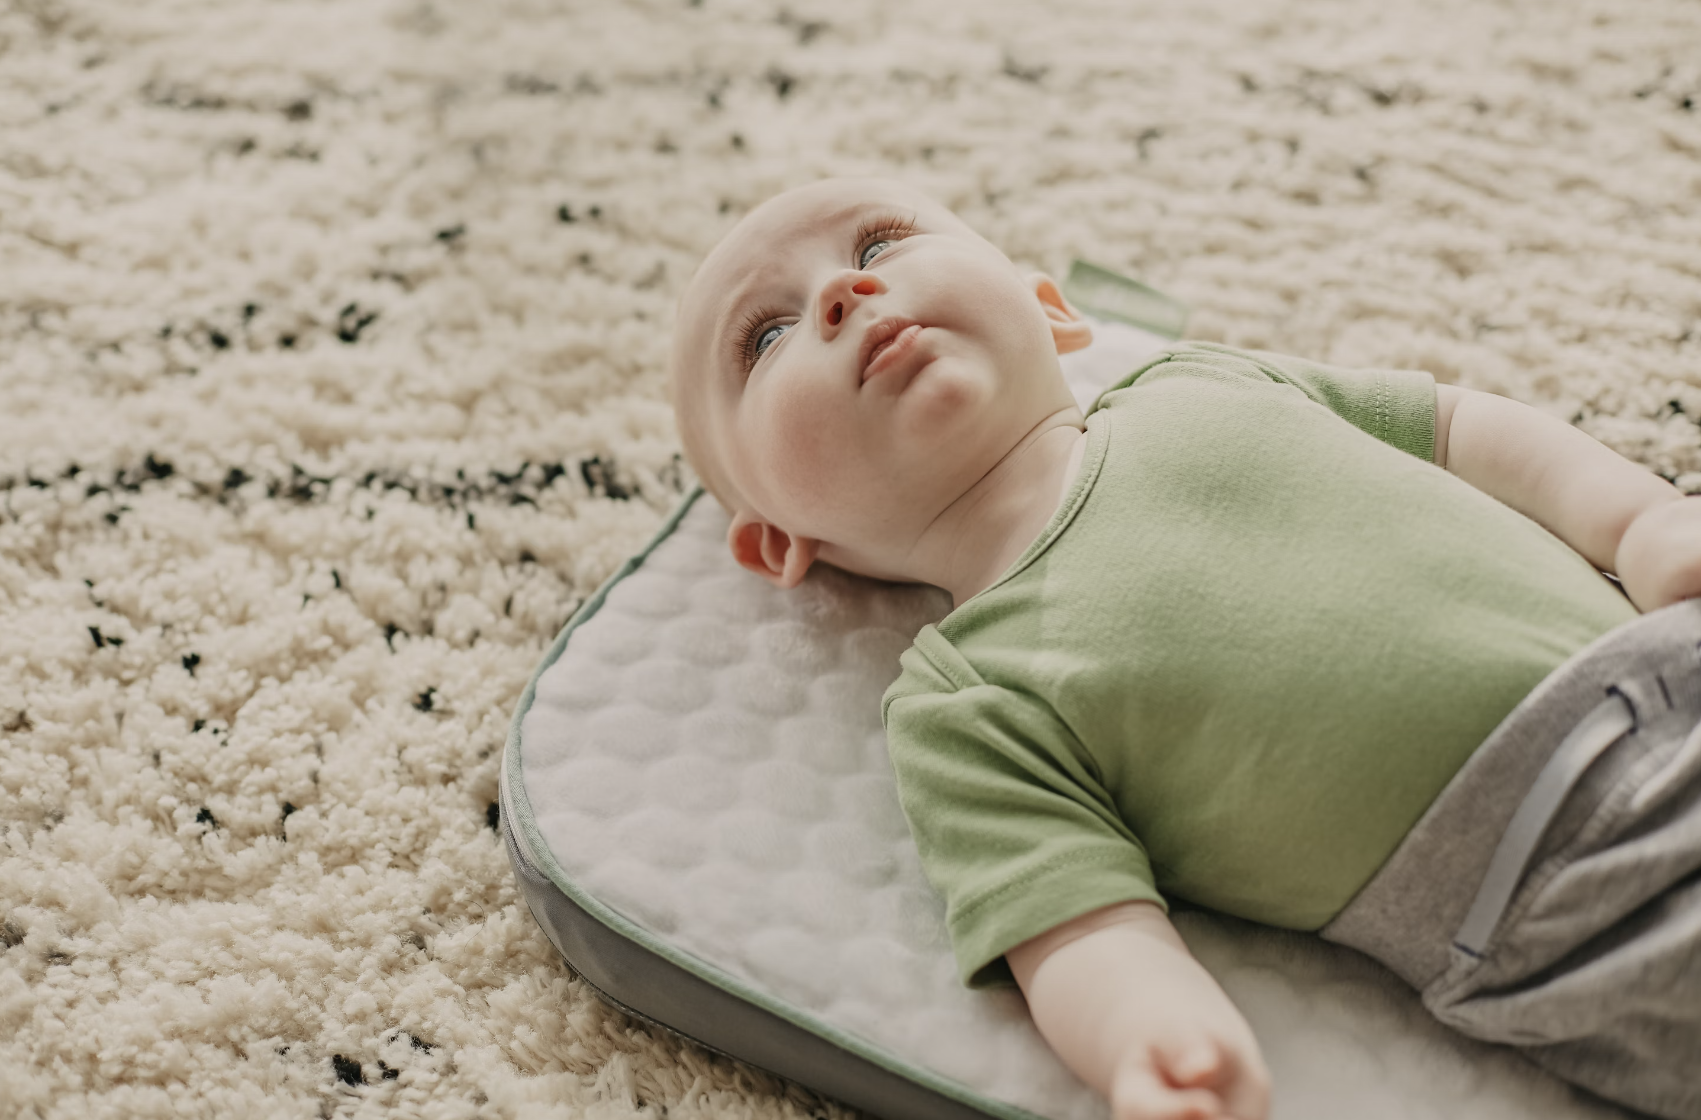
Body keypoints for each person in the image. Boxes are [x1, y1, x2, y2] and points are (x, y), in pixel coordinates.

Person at [669, 176, 1701, 1120]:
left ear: (1049, 309)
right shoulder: (964, 703)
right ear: (780, 542)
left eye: (880, 243)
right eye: (766, 337)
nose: (843, 292)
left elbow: (1456, 428)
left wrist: (1636, 521)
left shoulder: (1200, 381)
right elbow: (1073, 919)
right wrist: (1150, 1038)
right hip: (1567, 887)